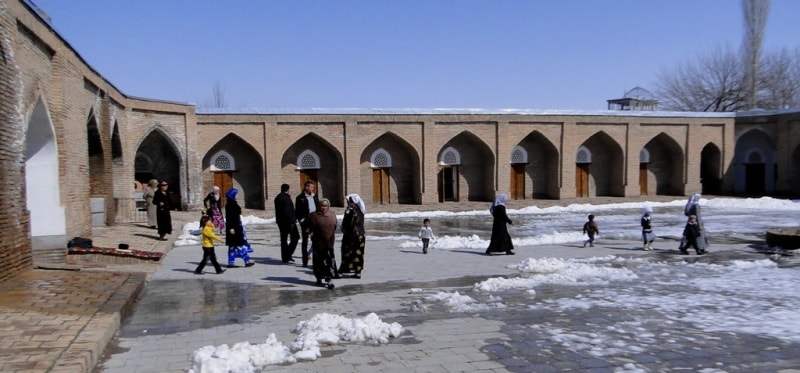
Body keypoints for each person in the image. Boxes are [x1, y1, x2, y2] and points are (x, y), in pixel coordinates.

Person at [307, 198, 337, 289]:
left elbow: (334, 227)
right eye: (322, 206)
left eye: (325, 206)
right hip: (318, 243)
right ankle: (319, 278)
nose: (324, 208)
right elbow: (309, 228)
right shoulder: (314, 216)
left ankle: (329, 280)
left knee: (329, 262)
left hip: (329, 243)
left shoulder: (332, 216)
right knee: (318, 262)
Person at [224, 188, 255, 268]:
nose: (237, 195)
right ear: (233, 195)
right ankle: (246, 261)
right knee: (239, 245)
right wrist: (231, 228)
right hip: (234, 228)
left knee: (234, 246)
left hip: (237, 226)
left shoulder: (233, 203)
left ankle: (231, 262)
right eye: (236, 194)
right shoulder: (230, 204)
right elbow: (229, 217)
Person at [339, 194, 366, 278]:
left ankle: (343, 270)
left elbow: (351, 223)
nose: (347, 203)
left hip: (352, 235)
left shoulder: (352, 210)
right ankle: (357, 271)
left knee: (347, 252)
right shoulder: (360, 209)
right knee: (358, 253)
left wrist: (344, 228)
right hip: (360, 234)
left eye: (348, 201)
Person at [295, 181, 320, 268]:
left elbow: (318, 207)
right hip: (306, 221)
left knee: (316, 240)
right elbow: (297, 211)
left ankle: (316, 260)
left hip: (315, 221)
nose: (312, 189)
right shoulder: (300, 198)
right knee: (305, 241)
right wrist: (301, 220)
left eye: (313, 187)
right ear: (306, 187)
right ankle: (305, 261)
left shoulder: (315, 197)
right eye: (310, 187)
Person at [274, 183, 299, 264]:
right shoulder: (285, 198)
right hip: (287, 222)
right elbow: (288, 211)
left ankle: (285, 256)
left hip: (281, 221)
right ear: (288, 189)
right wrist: (292, 221)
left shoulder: (278, 197)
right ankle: (287, 254)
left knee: (284, 239)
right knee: (295, 237)